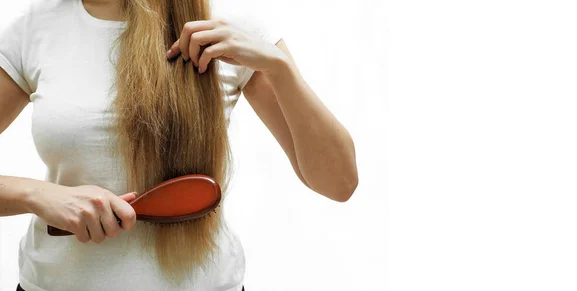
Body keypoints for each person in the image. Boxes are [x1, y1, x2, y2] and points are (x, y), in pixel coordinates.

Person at [0, 0, 359, 290]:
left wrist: (280, 68)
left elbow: (339, 183)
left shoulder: (226, 22)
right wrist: (36, 194)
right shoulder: (35, 29)